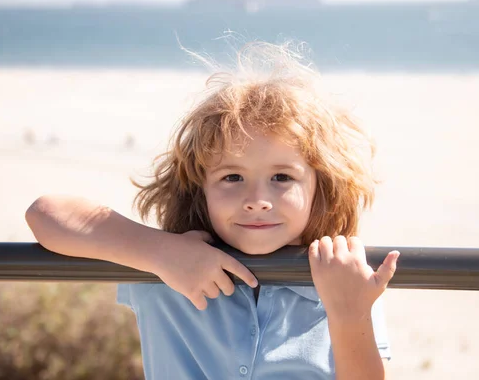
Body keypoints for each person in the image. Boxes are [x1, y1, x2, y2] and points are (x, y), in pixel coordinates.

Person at [25, 41, 400, 380]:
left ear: (321, 188)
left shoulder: (344, 280)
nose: (256, 199)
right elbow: (46, 215)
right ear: (197, 189)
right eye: (232, 177)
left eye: (282, 177)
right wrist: (158, 251)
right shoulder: (163, 267)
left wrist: (349, 314)